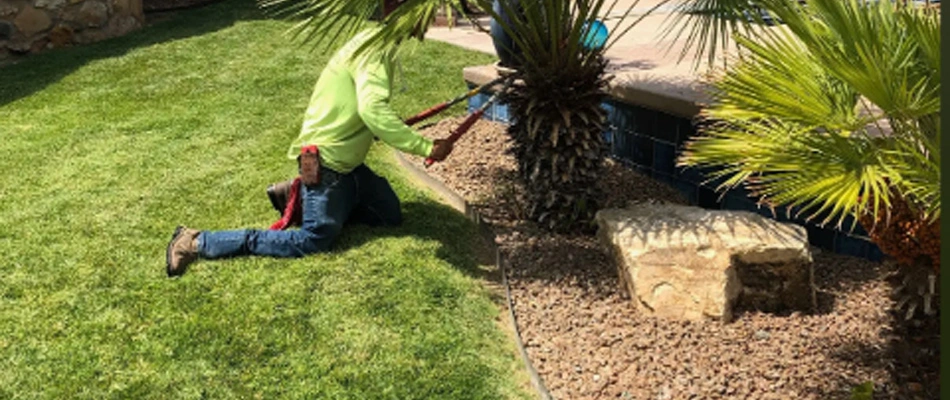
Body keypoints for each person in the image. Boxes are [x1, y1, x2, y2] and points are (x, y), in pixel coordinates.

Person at [165, 0, 453, 277]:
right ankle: (197, 241)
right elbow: (372, 109)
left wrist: (382, 128)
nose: (431, 14)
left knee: (389, 214)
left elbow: (364, 111)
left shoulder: (377, 42)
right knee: (314, 240)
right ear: (398, 8)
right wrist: (426, 146)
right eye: (423, 7)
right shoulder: (376, 49)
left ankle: (305, 196)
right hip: (328, 165)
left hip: (349, 168)